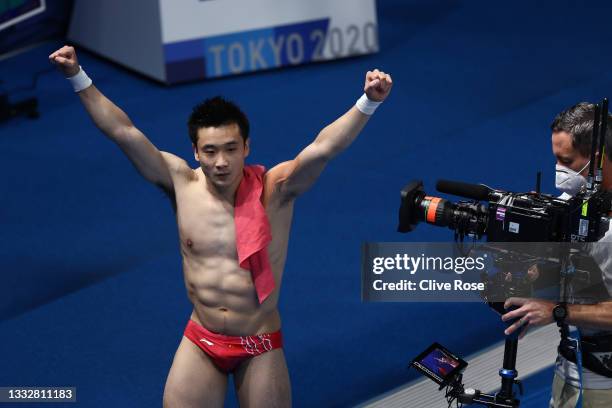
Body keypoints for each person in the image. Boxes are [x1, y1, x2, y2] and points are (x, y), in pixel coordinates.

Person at [49, 45, 392, 407]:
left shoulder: (275, 190)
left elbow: (322, 148)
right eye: (210, 151)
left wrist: (368, 102)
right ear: (195, 152)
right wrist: (76, 75)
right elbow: (123, 131)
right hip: (201, 338)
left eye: (231, 149)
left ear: (247, 147)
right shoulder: (179, 182)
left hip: (258, 342)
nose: (222, 162)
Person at [501, 102, 612, 408]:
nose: (560, 172)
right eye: (555, 160)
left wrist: (557, 311)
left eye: (567, 161)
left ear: (599, 159)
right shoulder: (569, 203)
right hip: (572, 364)